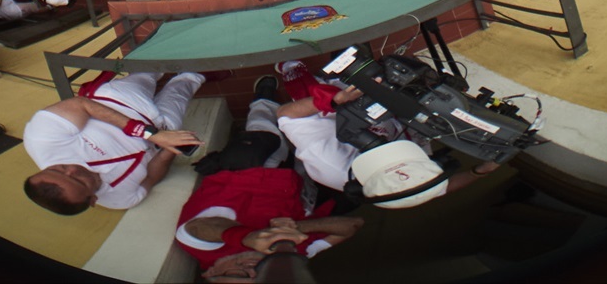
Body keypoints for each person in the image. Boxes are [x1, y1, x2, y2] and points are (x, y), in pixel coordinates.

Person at [176, 91, 363, 281]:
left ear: (211, 273)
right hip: (299, 186)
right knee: (349, 187)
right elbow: (352, 225)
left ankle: (263, 100)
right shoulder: (289, 255)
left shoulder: (203, 249)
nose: (251, 270)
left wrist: (246, 236)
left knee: (264, 134)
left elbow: (200, 227)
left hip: (249, 174)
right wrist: (298, 227)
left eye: (239, 275)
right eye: (258, 278)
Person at [22, 70, 207, 213]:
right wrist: (169, 151)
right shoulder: (119, 200)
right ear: (93, 200)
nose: (72, 169)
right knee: (185, 86)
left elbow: (81, 104)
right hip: (164, 131)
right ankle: (196, 70)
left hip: (121, 100)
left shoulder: (39, 141)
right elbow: (151, 177)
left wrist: (150, 134)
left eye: (57, 169)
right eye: (78, 180)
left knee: (152, 66)